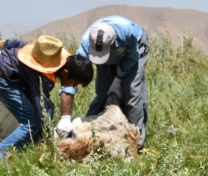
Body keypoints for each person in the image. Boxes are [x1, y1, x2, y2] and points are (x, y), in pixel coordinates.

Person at [0, 35, 93, 160]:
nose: (73, 86)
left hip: (9, 74)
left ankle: (37, 145)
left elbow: (17, 44)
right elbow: (40, 104)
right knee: (31, 123)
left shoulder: (52, 54)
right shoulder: (43, 76)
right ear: (65, 73)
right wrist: (59, 134)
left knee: (49, 109)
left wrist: (2, 44)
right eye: (74, 83)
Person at [60, 15, 149, 150]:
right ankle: (88, 133)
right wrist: (65, 119)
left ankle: (135, 140)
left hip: (133, 52)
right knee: (103, 94)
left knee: (132, 93)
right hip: (108, 56)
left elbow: (131, 58)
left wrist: (118, 79)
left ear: (115, 40)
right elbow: (72, 76)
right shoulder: (87, 43)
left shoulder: (128, 34)